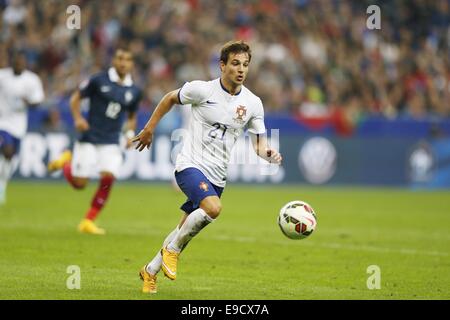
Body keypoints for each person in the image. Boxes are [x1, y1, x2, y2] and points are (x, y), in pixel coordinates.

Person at [133, 40, 282, 294]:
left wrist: (268, 153)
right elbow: (170, 98)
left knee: (184, 228)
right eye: (235, 63)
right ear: (222, 65)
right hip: (189, 164)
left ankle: (150, 271)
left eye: (245, 64)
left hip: (218, 177)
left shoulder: (253, 103)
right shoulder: (202, 90)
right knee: (213, 208)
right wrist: (149, 128)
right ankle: (172, 251)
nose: (241, 69)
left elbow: (258, 144)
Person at [48, 47, 142, 235]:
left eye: (127, 59)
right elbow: (75, 98)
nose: (123, 62)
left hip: (112, 141)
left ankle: (88, 221)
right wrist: (78, 119)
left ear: (132, 64)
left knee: (109, 178)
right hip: (90, 137)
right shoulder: (99, 80)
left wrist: (129, 133)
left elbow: (132, 115)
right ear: (114, 61)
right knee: (80, 184)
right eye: (120, 58)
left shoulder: (134, 90)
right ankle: (67, 162)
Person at [0, 50, 44, 205]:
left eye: (21, 63)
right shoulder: (2, 76)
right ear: (12, 62)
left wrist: (29, 102)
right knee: (7, 150)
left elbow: (38, 101)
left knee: (11, 158)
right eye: (16, 62)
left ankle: (2, 184)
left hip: (19, 125)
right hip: (2, 122)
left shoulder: (32, 80)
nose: (19, 65)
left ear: (25, 64)